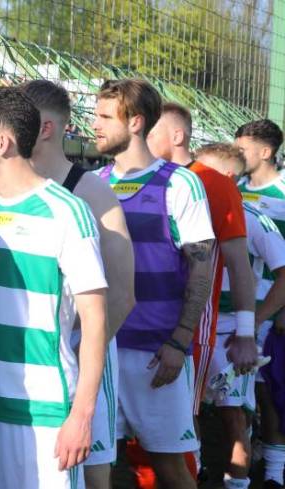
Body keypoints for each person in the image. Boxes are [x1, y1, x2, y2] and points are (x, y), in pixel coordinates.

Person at [0, 87, 107, 487]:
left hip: (44, 412)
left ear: (2, 142)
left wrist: (82, 416)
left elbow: (95, 320)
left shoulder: (67, 211)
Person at [92, 79, 215, 489]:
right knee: (98, 468)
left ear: (136, 122)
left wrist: (180, 340)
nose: (94, 125)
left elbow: (201, 268)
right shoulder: (94, 183)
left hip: (155, 355)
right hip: (101, 350)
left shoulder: (180, 183)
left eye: (104, 116)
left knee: (170, 468)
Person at [18, 79, 135, 489]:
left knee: (91, 470)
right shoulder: (10, 190)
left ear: (44, 129)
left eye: (16, 120)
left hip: (79, 359)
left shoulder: (91, 192)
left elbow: (123, 294)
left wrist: (82, 356)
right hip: (24, 364)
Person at [144, 101, 257, 484]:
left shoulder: (214, 183)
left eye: (153, 130)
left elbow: (239, 264)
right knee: (145, 435)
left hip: (191, 328)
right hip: (140, 324)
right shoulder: (139, 178)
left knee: (178, 427)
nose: (143, 136)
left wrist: (246, 333)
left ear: (177, 135)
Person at [196, 142, 285, 489]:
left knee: (235, 416)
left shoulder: (255, 220)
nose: (194, 178)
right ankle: (196, 473)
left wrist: (255, 323)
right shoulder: (185, 210)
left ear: (228, 177)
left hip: (231, 334)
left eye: (205, 173)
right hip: (191, 331)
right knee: (186, 410)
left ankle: (244, 481)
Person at [235, 119, 285, 489]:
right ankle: (247, 458)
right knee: (239, 392)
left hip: (271, 308)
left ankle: (274, 473)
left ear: (265, 152)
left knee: (269, 391)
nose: (236, 154)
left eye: (243, 149)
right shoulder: (234, 188)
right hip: (239, 308)